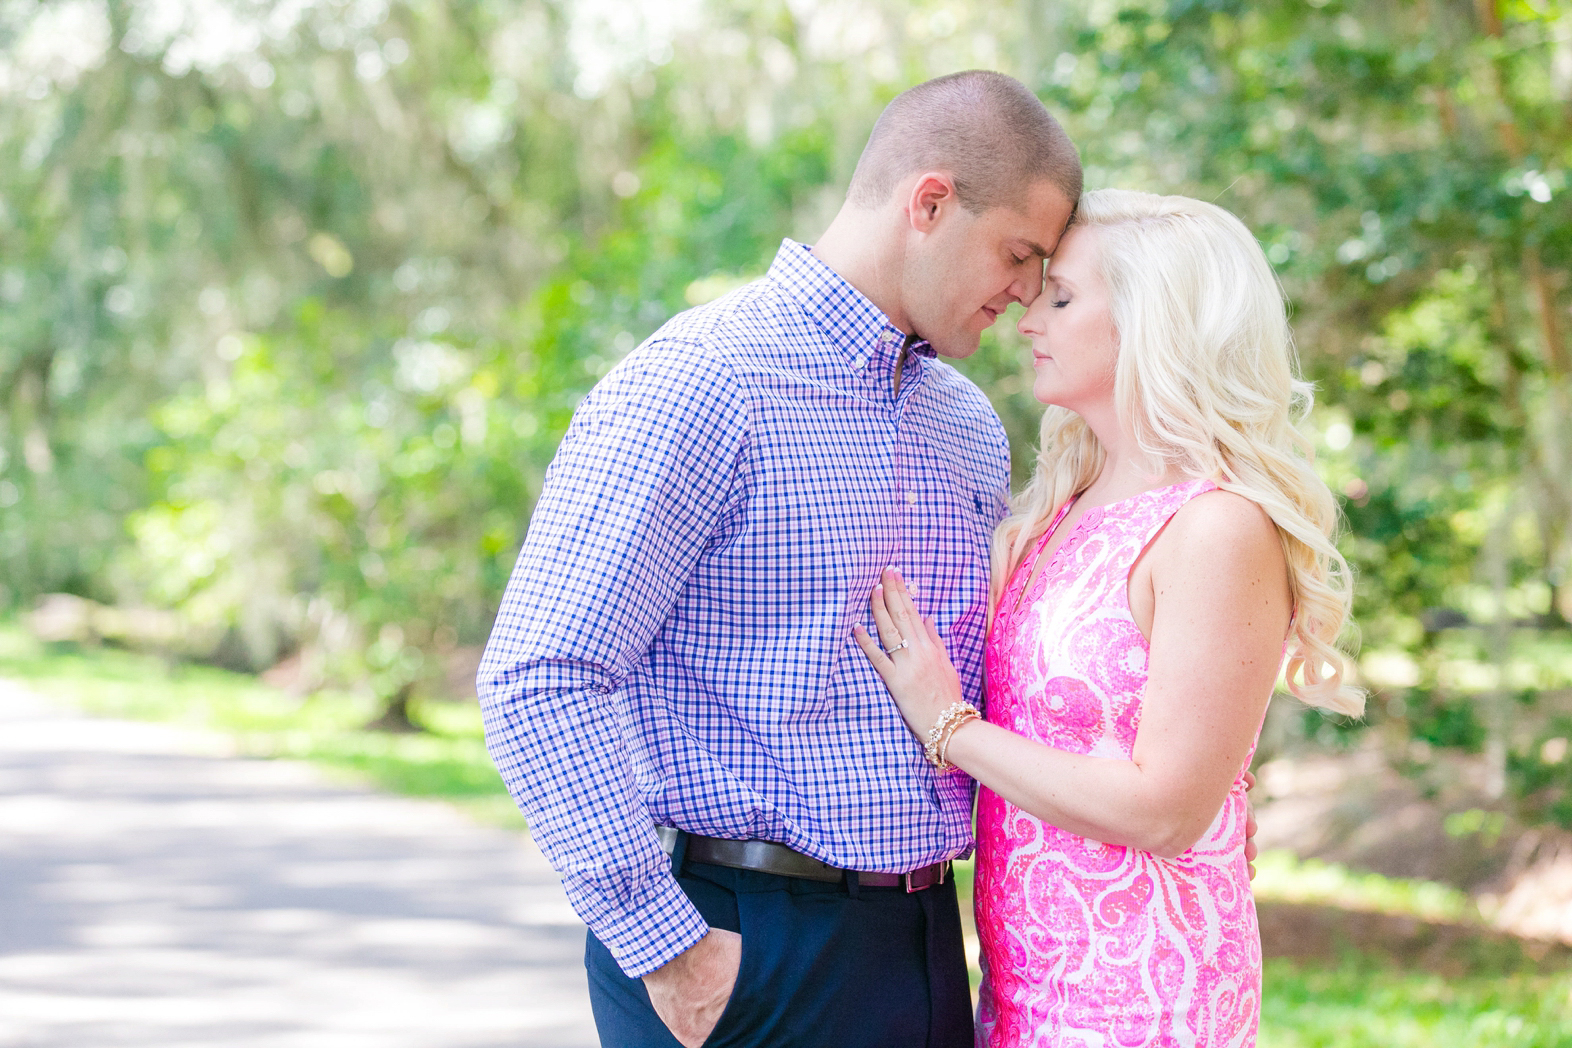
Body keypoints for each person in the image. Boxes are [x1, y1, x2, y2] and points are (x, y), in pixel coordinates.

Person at [477, 70, 1083, 1048]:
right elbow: (540, 676)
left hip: (925, 938)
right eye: (1018, 253)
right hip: (743, 940)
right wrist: (669, 946)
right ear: (929, 202)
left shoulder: (967, 426)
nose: (1024, 294)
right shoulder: (701, 384)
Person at [853, 188, 1365, 1047]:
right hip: (1023, 983)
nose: (1026, 318)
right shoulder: (1066, 507)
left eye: (1062, 297)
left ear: (1152, 322)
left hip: (1143, 998)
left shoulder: (1217, 527)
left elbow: (1167, 809)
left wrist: (949, 725)